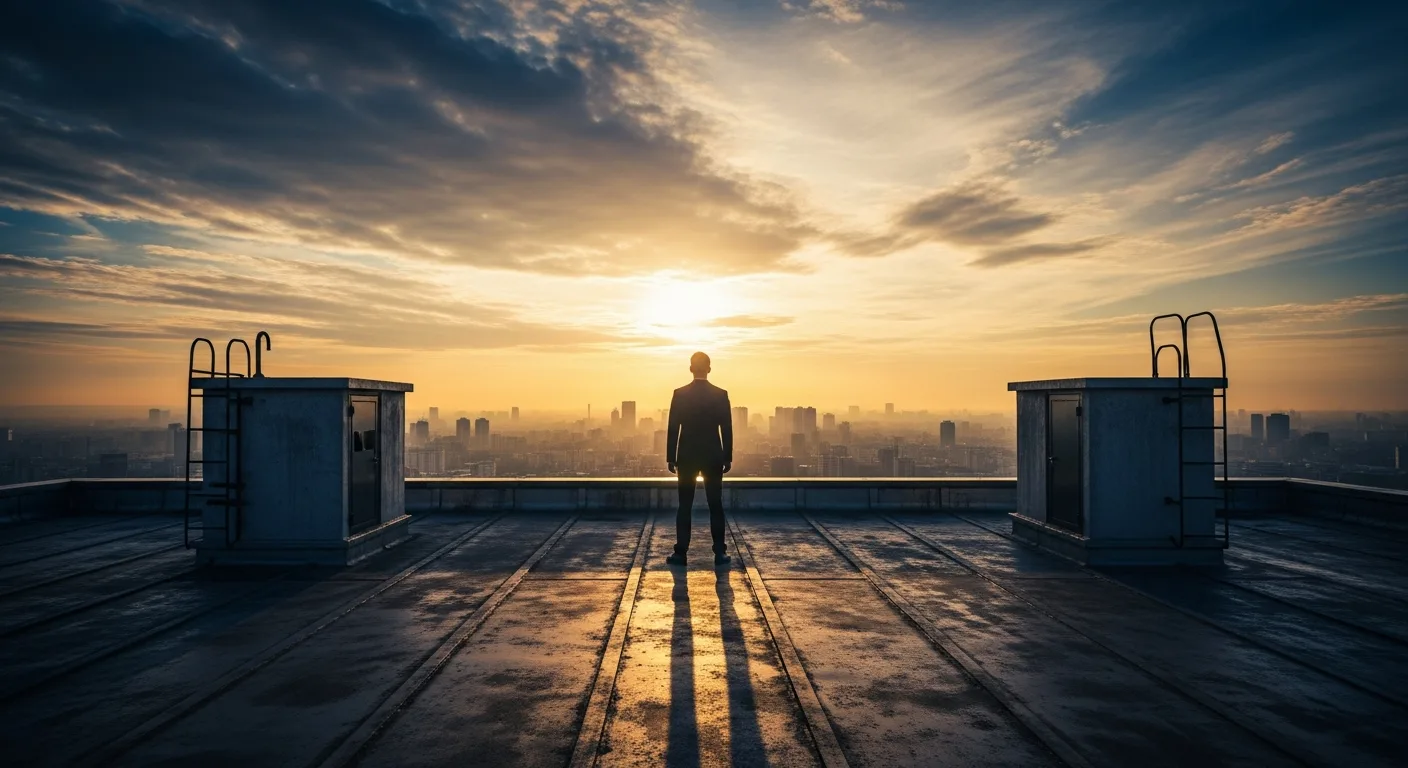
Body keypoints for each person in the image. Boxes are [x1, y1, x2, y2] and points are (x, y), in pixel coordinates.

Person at [665, 351, 733, 566]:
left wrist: (671, 457)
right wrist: (727, 456)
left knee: (684, 505)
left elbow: (673, 427)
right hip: (713, 455)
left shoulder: (680, 394)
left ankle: (681, 553)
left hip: (686, 456)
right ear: (709, 369)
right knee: (716, 505)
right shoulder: (720, 395)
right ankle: (720, 553)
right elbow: (727, 428)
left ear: (691, 368)